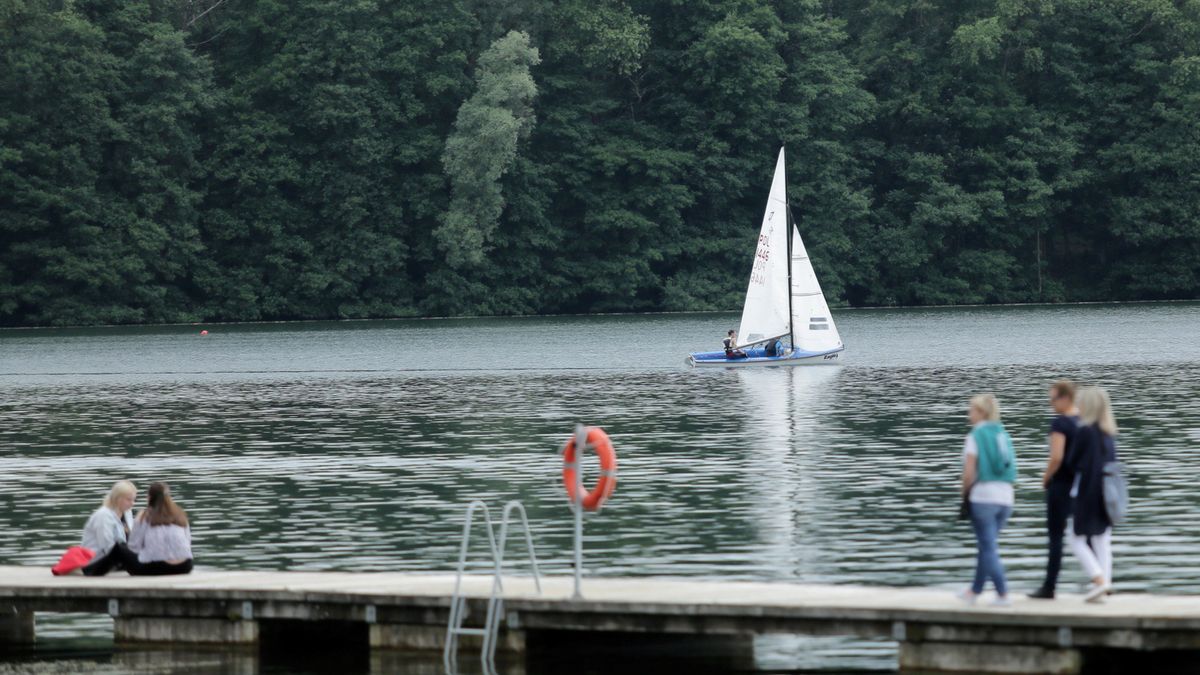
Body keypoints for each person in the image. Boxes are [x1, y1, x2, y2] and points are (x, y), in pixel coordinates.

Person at [959, 394, 1017, 606]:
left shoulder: (976, 435)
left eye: (972, 409)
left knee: (988, 547)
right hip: (1006, 498)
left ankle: (1002, 594)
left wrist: (964, 494)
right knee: (987, 545)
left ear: (981, 412)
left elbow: (969, 472)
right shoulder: (1003, 434)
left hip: (983, 497)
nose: (969, 413)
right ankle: (974, 591)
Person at [1066, 386, 1118, 602]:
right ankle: (1104, 588)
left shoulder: (1084, 431)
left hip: (1086, 492)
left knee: (1074, 538)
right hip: (1107, 493)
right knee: (1102, 540)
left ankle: (1099, 581)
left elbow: (1073, 462)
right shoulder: (1109, 433)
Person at [1029, 380, 1079, 600]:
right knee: (1086, 536)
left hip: (1060, 485)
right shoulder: (1083, 421)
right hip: (1080, 485)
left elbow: (1056, 457)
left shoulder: (1060, 423)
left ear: (1066, 398)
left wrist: (1045, 478)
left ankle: (1049, 586)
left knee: (1056, 537)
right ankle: (1101, 578)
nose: (1051, 404)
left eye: (1053, 399)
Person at [84, 482, 193, 576]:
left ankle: (91, 572)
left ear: (149, 498)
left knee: (118, 549)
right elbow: (188, 541)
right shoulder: (180, 515)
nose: (132, 503)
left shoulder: (144, 515)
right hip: (186, 566)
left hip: (157, 567)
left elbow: (133, 546)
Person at [81, 480, 137, 558]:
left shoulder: (127, 512)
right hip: (97, 561)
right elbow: (107, 547)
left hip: (119, 558)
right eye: (129, 500)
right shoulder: (103, 515)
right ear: (117, 499)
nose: (132, 503)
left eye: (133, 500)